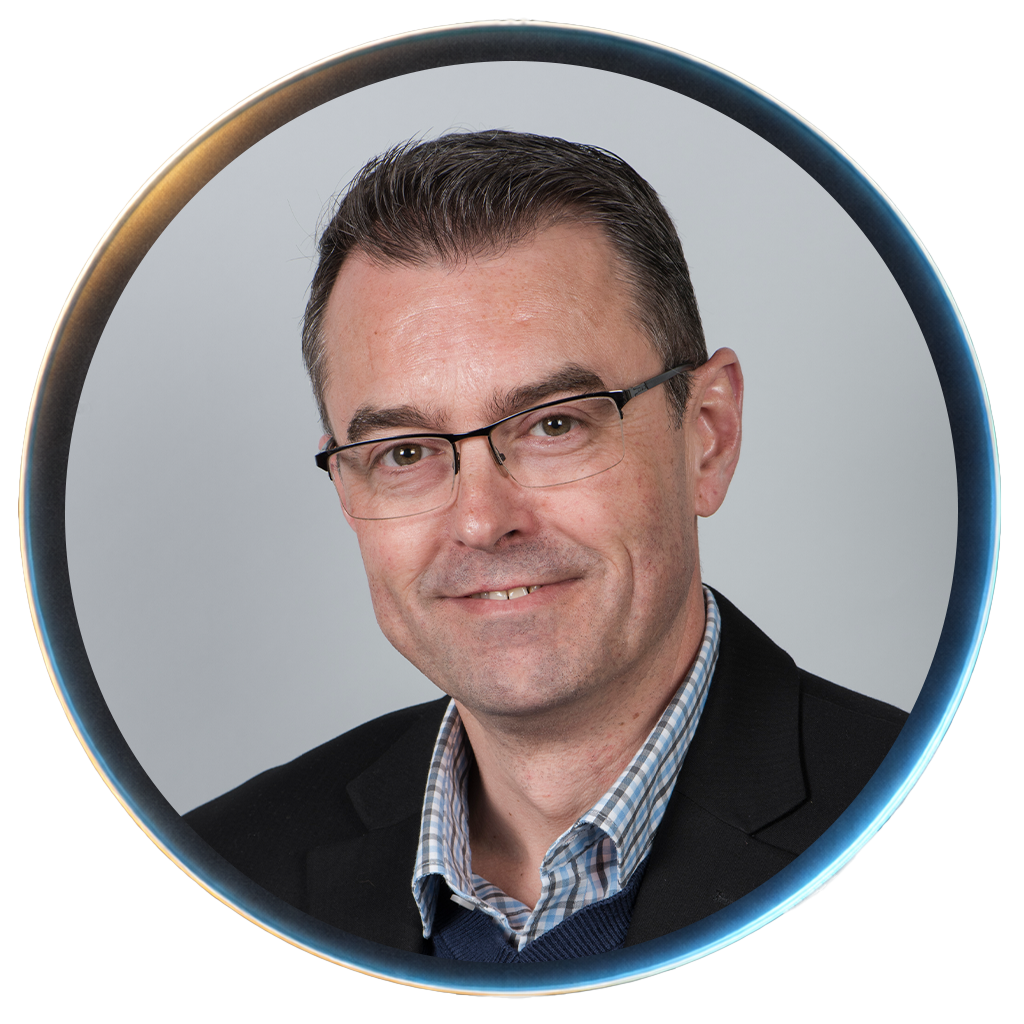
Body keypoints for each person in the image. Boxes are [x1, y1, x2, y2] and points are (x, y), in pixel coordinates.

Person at [185, 131, 908, 962]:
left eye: (554, 425)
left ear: (707, 435)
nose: (483, 520)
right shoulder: (221, 878)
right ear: (348, 485)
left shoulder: (914, 818)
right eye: (407, 452)